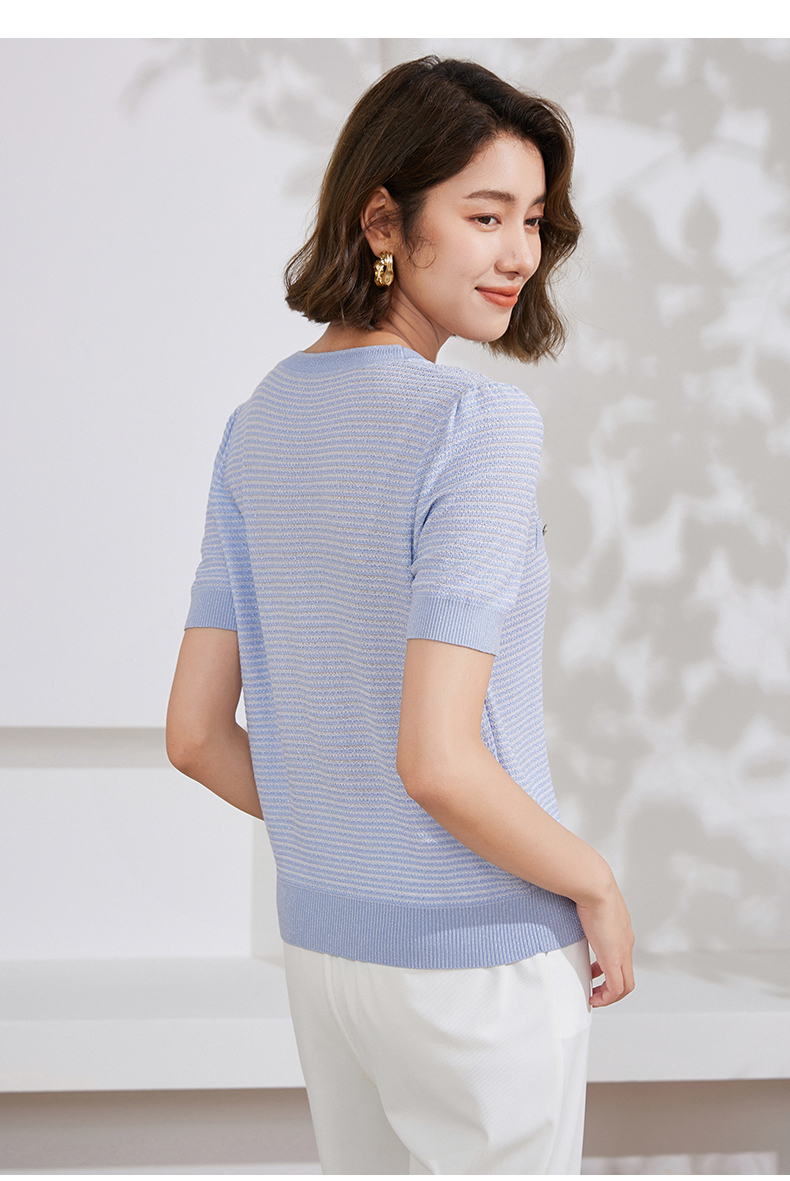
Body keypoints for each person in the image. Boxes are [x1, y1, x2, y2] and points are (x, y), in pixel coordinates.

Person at [166, 55, 635, 1176]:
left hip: (329, 955)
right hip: (481, 966)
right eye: (484, 215)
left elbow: (193, 734)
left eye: (532, 219)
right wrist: (595, 880)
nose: (519, 254)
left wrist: (345, 829)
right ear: (384, 219)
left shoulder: (256, 423)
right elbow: (437, 759)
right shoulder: (477, 424)